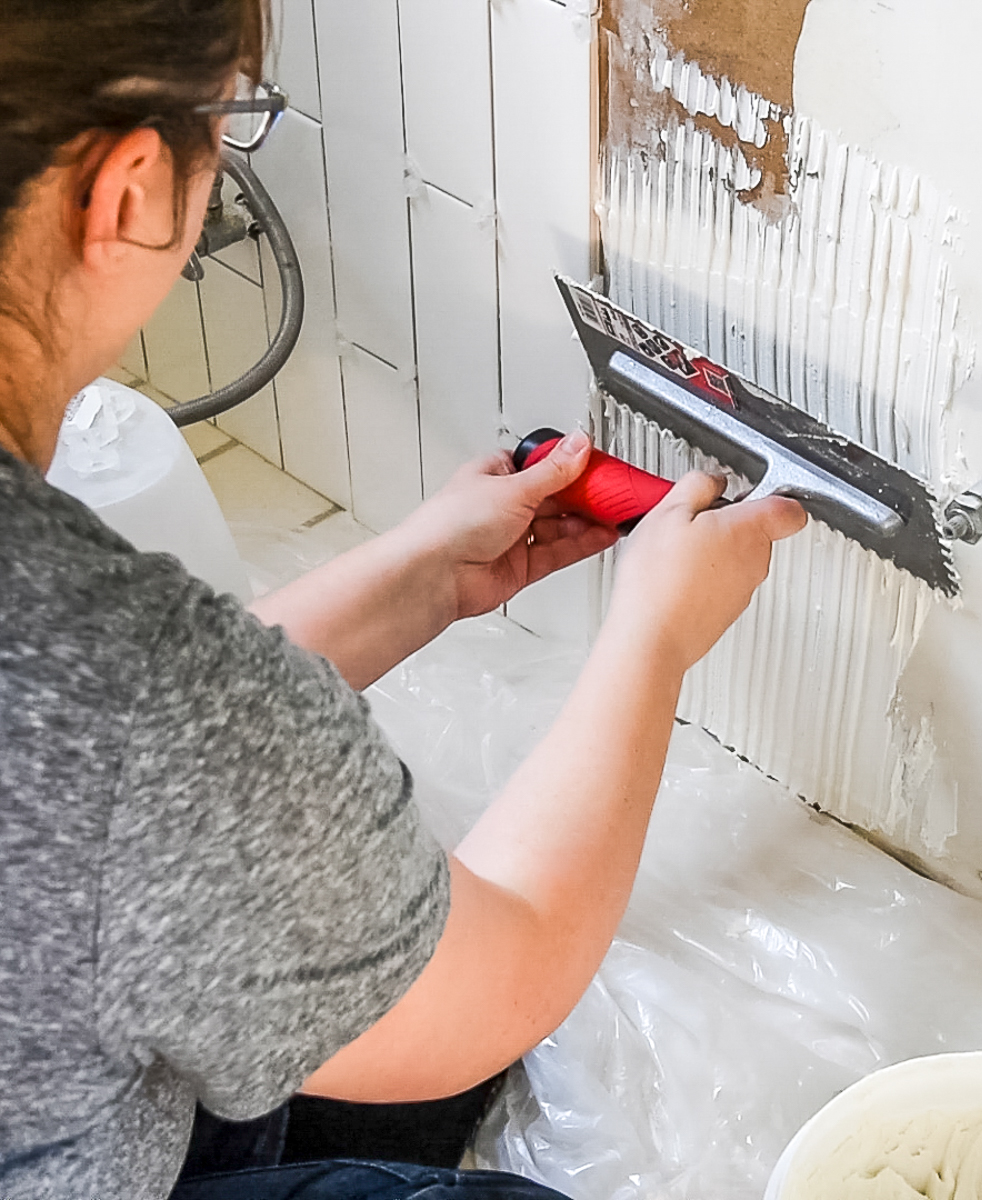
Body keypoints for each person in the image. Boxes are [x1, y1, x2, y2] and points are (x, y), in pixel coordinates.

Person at [0, 3, 807, 1198]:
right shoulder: (127, 698)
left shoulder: (85, 666)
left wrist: (422, 573)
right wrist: (655, 639)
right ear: (127, 187)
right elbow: (508, 970)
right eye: (231, 119)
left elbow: (91, 768)